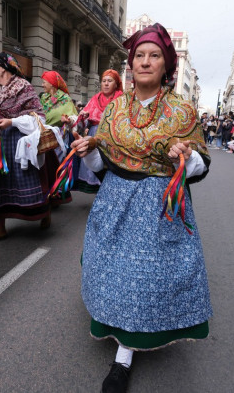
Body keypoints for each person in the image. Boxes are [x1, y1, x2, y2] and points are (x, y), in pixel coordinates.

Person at [72, 23, 212, 393]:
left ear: (166, 64)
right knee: (116, 272)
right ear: (130, 64)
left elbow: (200, 166)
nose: (145, 62)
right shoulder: (115, 108)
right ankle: (122, 347)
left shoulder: (183, 111)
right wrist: (88, 153)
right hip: (116, 199)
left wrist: (186, 156)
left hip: (159, 205)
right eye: (139, 56)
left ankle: (125, 355)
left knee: (144, 279)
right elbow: (103, 166)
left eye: (154, 56)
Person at [0, 53, 58, 244]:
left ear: (3, 68)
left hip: (19, 143)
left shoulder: (24, 88)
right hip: (0, 145)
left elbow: (39, 119)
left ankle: (44, 213)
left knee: (28, 182)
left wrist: (11, 122)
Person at [73, 69, 124, 193]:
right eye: (104, 81)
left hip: (113, 136)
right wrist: (83, 116)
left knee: (110, 168)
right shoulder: (95, 98)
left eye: (110, 81)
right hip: (94, 135)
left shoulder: (121, 99)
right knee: (94, 164)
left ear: (116, 84)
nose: (106, 83)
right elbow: (85, 121)